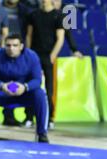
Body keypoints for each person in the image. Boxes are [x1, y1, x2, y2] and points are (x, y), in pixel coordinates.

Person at [0, 33, 49, 142]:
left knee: (40, 93)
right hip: (2, 93)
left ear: (21, 46)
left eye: (15, 45)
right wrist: (2, 86)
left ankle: (42, 134)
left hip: (23, 94)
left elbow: (37, 80)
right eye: (8, 45)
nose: (11, 48)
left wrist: (25, 87)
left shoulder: (32, 56)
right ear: (4, 45)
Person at [25, 0, 64, 129]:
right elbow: (29, 35)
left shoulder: (58, 16)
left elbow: (60, 38)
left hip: (48, 56)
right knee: (31, 86)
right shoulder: (33, 15)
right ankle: (29, 117)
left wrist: (53, 56)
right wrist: (28, 53)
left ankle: (49, 118)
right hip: (34, 55)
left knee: (49, 89)